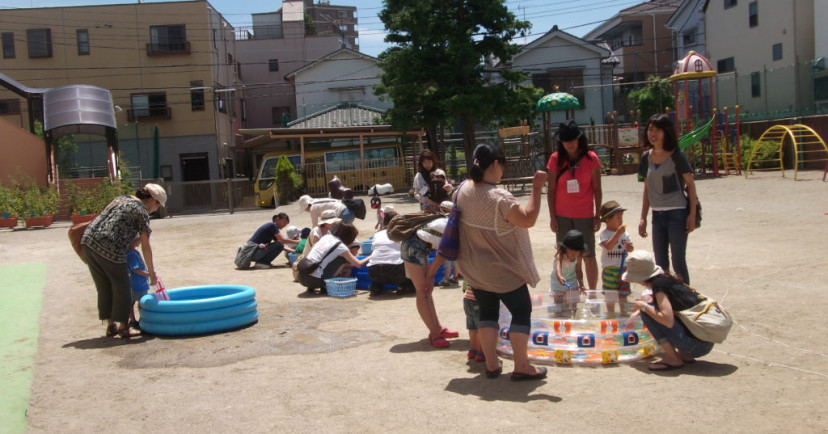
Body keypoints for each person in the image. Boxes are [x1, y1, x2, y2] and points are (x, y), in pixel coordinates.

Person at [457, 143, 548, 381]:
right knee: (521, 311)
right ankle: (521, 365)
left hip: (476, 268)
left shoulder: (464, 190)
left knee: (487, 312)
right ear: (496, 164)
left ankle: (491, 364)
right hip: (504, 269)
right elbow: (527, 219)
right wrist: (537, 189)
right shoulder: (499, 197)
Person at [81, 183, 165, 338]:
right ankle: (124, 327)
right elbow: (146, 246)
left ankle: (110, 325)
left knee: (104, 285)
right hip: (110, 246)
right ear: (153, 201)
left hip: (88, 242)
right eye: (158, 205)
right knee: (123, 286)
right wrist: (151, 272)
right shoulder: (141, 211)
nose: (157, 209)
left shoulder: (122, 199)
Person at [623, 250, 713, 371]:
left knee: (647, 313)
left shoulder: (659, 287)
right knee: (651, 308)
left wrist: (642, 306)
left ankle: (673, 358)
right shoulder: (668, 281)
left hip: (696, 346)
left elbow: (668, 320)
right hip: (705, 340)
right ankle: (683, 354)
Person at [637, 113, 698, 283]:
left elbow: (691, 185)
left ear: (666, 132)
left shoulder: (676, 155)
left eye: (657, 130)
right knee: (660, 263)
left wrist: (691, 215)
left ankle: (684, 300)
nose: (653, 134)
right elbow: (647, 188)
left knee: (678, 261)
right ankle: (665, 300)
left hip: (677, 214)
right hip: (657, 215)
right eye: (650, 129)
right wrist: (642, 217)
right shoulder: (645, 157)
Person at [546, 120, 602, 291]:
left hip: (585, 215)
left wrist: (597, 214)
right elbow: (551, 190)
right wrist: (552, 217)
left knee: (588, 255)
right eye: (566, 140)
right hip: (562, 215)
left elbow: (597, 189)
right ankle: (570, 289)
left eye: (573, 139)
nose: (570, 143)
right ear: (561, 142)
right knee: (565, 256)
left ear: (579, 139)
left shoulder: (591, 158)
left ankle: (591, 293)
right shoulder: (555, 159)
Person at [400, 211, 459, 348]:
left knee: (427, 291)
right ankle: (434, 334)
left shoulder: (457, 224)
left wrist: (430, 276)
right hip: (413, 246)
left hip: (421, 245)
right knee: (422, 290)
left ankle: (437, 328)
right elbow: (442, 254)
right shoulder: (455, 228)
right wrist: (430, 275)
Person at [297, 223, 370, 294]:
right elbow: (359, 264)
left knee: (322, 260)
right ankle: (324, 285)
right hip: (313, 280)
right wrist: (373, 255)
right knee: (342, 259)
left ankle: (312, 287)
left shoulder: (326, 237)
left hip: (301, 276)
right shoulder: (341, 246)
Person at [366, 209, 415, 296]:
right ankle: (405, 286)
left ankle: (376, 286)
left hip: (373, 272)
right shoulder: (401, 233)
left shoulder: (377, 234)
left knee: (380, 260)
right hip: (396, 272)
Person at [598, 200, 634, 315]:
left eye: (621, 217)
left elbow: (631, 248)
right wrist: (617, 234)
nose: (621, 220)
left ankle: (624, 313)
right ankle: (610, 314)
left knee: (623, 294)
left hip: (623, 268)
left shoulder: (625, 233)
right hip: (609, 268)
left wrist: (630, 247)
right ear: (607, 220)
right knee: (610, 295)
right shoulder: (604, 234)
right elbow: (608, 246)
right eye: (618, 217)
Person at [549, 229, 587, 317]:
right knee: (559, 303)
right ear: (566, 248)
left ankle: (573, 316)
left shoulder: (579, 257)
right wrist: (559, 276)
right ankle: (558, 317)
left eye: (577, 251)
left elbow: (579, 270)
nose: (575, 253)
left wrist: (581, 284)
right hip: (558, 281)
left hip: (572, 280)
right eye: (572, 250)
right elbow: (558, 267)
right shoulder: (561, 255)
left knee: (574, 300)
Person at [126, 236, 150, 329]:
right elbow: (135, 269)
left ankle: (137, 319)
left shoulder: (134, 253)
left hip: (140, 283)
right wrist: (148, 274)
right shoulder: (131, 254)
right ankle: (135, 320)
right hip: (137, 284)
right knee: (138, 302)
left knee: (138, 301)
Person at [463, 280, 484, 363]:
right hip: (477, 298)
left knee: (472, 326)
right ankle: (481, 352)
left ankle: (472, 350)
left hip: (467, 297)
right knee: (481, 327)